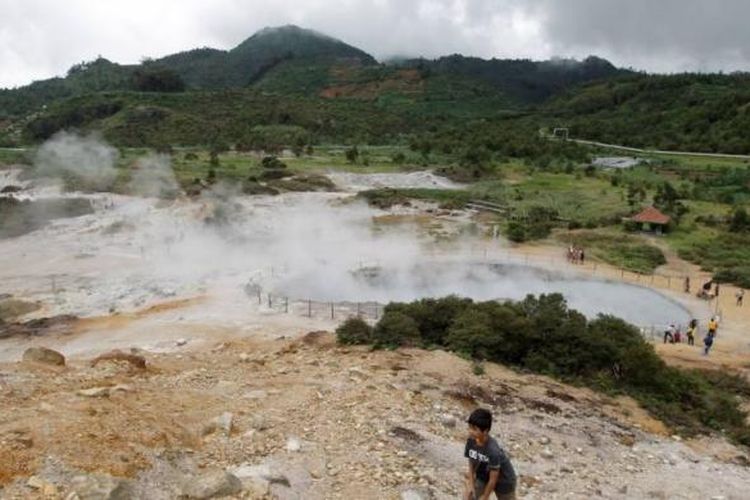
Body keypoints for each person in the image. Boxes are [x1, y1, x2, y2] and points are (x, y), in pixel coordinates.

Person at [464, 408, 517, 500]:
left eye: (474, 429)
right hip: (484, 473)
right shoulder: (471, 441)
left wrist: (485, 496)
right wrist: (471, 484)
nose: (470, 431)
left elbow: (493, 479)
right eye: (470, 427)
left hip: (504, 479)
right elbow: (471, 461)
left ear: (485, 431)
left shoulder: (493, 450)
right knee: (469, 496)